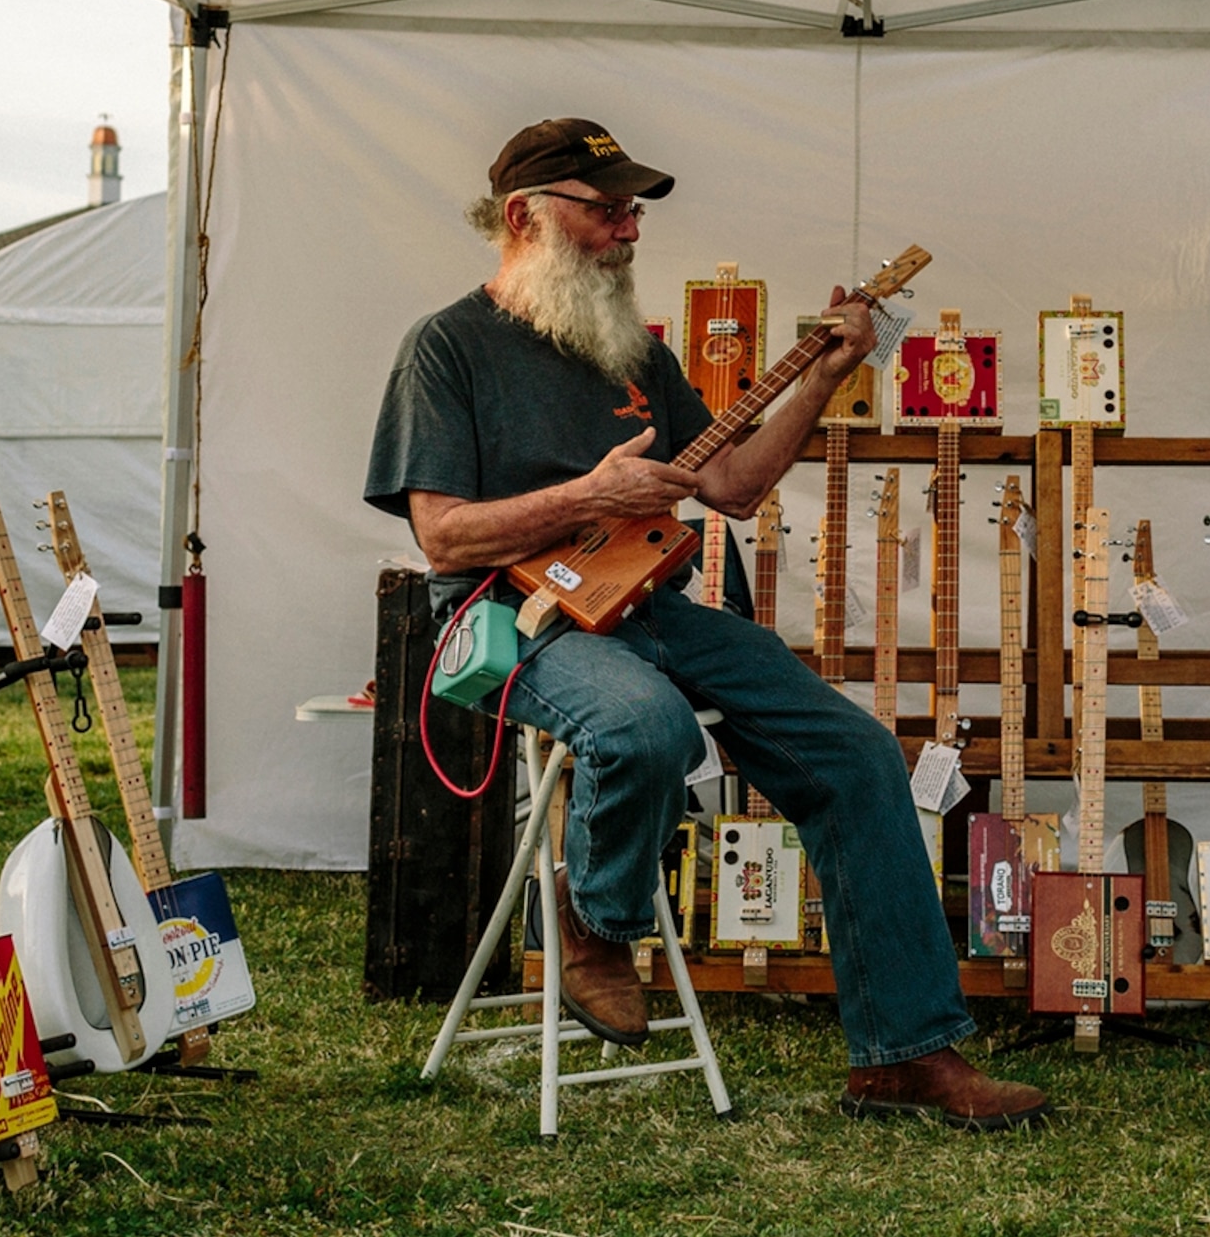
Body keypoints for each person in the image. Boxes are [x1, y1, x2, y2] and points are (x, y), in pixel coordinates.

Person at [368, 118, 1047, 1131]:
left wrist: (825, 374)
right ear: (524, 216)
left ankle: (905, 1057)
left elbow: (731, 484)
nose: (630, 229)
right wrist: (588, 496)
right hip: (513, 614)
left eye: (633, 210)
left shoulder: (634, 351)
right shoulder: (446, 347)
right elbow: (442, 535)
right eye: (607, 210)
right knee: (645, 723)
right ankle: (596, 923)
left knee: (858, 755)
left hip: (649, 606)